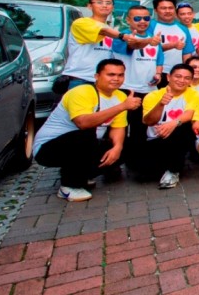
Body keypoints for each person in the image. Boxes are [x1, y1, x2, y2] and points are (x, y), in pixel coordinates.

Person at [33, 59, 141, 201]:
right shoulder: (81, 92)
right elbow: (83, 123)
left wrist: (118, 148)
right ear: (97, 76)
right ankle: (68, 186)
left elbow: (118, 127)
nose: (116, 79)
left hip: (86, 144)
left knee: (128, 145)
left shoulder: (120, 96)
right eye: (111, 74)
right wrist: (122, 107)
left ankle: (82, 174)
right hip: (48, 148)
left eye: (120, 75)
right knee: (86, 134)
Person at [110, 5, 164, 163]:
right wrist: (148, 41)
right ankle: (115, 161)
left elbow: (159, 59)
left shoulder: (154, 38)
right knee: (119, 127)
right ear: (128, 20)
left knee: (141, 127)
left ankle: (137, 161)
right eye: (137, 18)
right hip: (126, 90)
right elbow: (133, 45)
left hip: (148, 89)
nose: (142, 21)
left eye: (146, 18)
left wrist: (158, 74)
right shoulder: (124, 36)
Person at [60, 0, 145, 87]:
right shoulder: (81, 23)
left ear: (112, 7)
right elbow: (102, 31)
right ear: (89, 6)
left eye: (108, 3)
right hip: (80, 78)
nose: (104, 5)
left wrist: (146, 41)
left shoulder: (111, 30)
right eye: (99, 2)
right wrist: (123, 36)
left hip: (102, 81)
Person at [140, 63, 199, 189]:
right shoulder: (153, 95)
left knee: (183, 128)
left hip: (177, 138)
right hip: (155, 140)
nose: (182, 80)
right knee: (142, 172)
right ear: (168, 77)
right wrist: (161, 104)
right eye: (178, 76)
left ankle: (173, 171)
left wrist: (173, 123)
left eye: (187, 78)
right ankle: (164, 166)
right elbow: (149, 121)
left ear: (190, 81)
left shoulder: (193, 94)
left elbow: (190, 113)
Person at [150, 0, 195, 74]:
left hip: (175, 74)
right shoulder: (149, 26)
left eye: (171, 8)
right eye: (163, 8)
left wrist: (187, 72)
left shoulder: (183, 29)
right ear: (156, 10)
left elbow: (186, 54)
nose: (167, 11)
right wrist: (172, 45)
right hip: (153, 71)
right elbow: (145, 48)